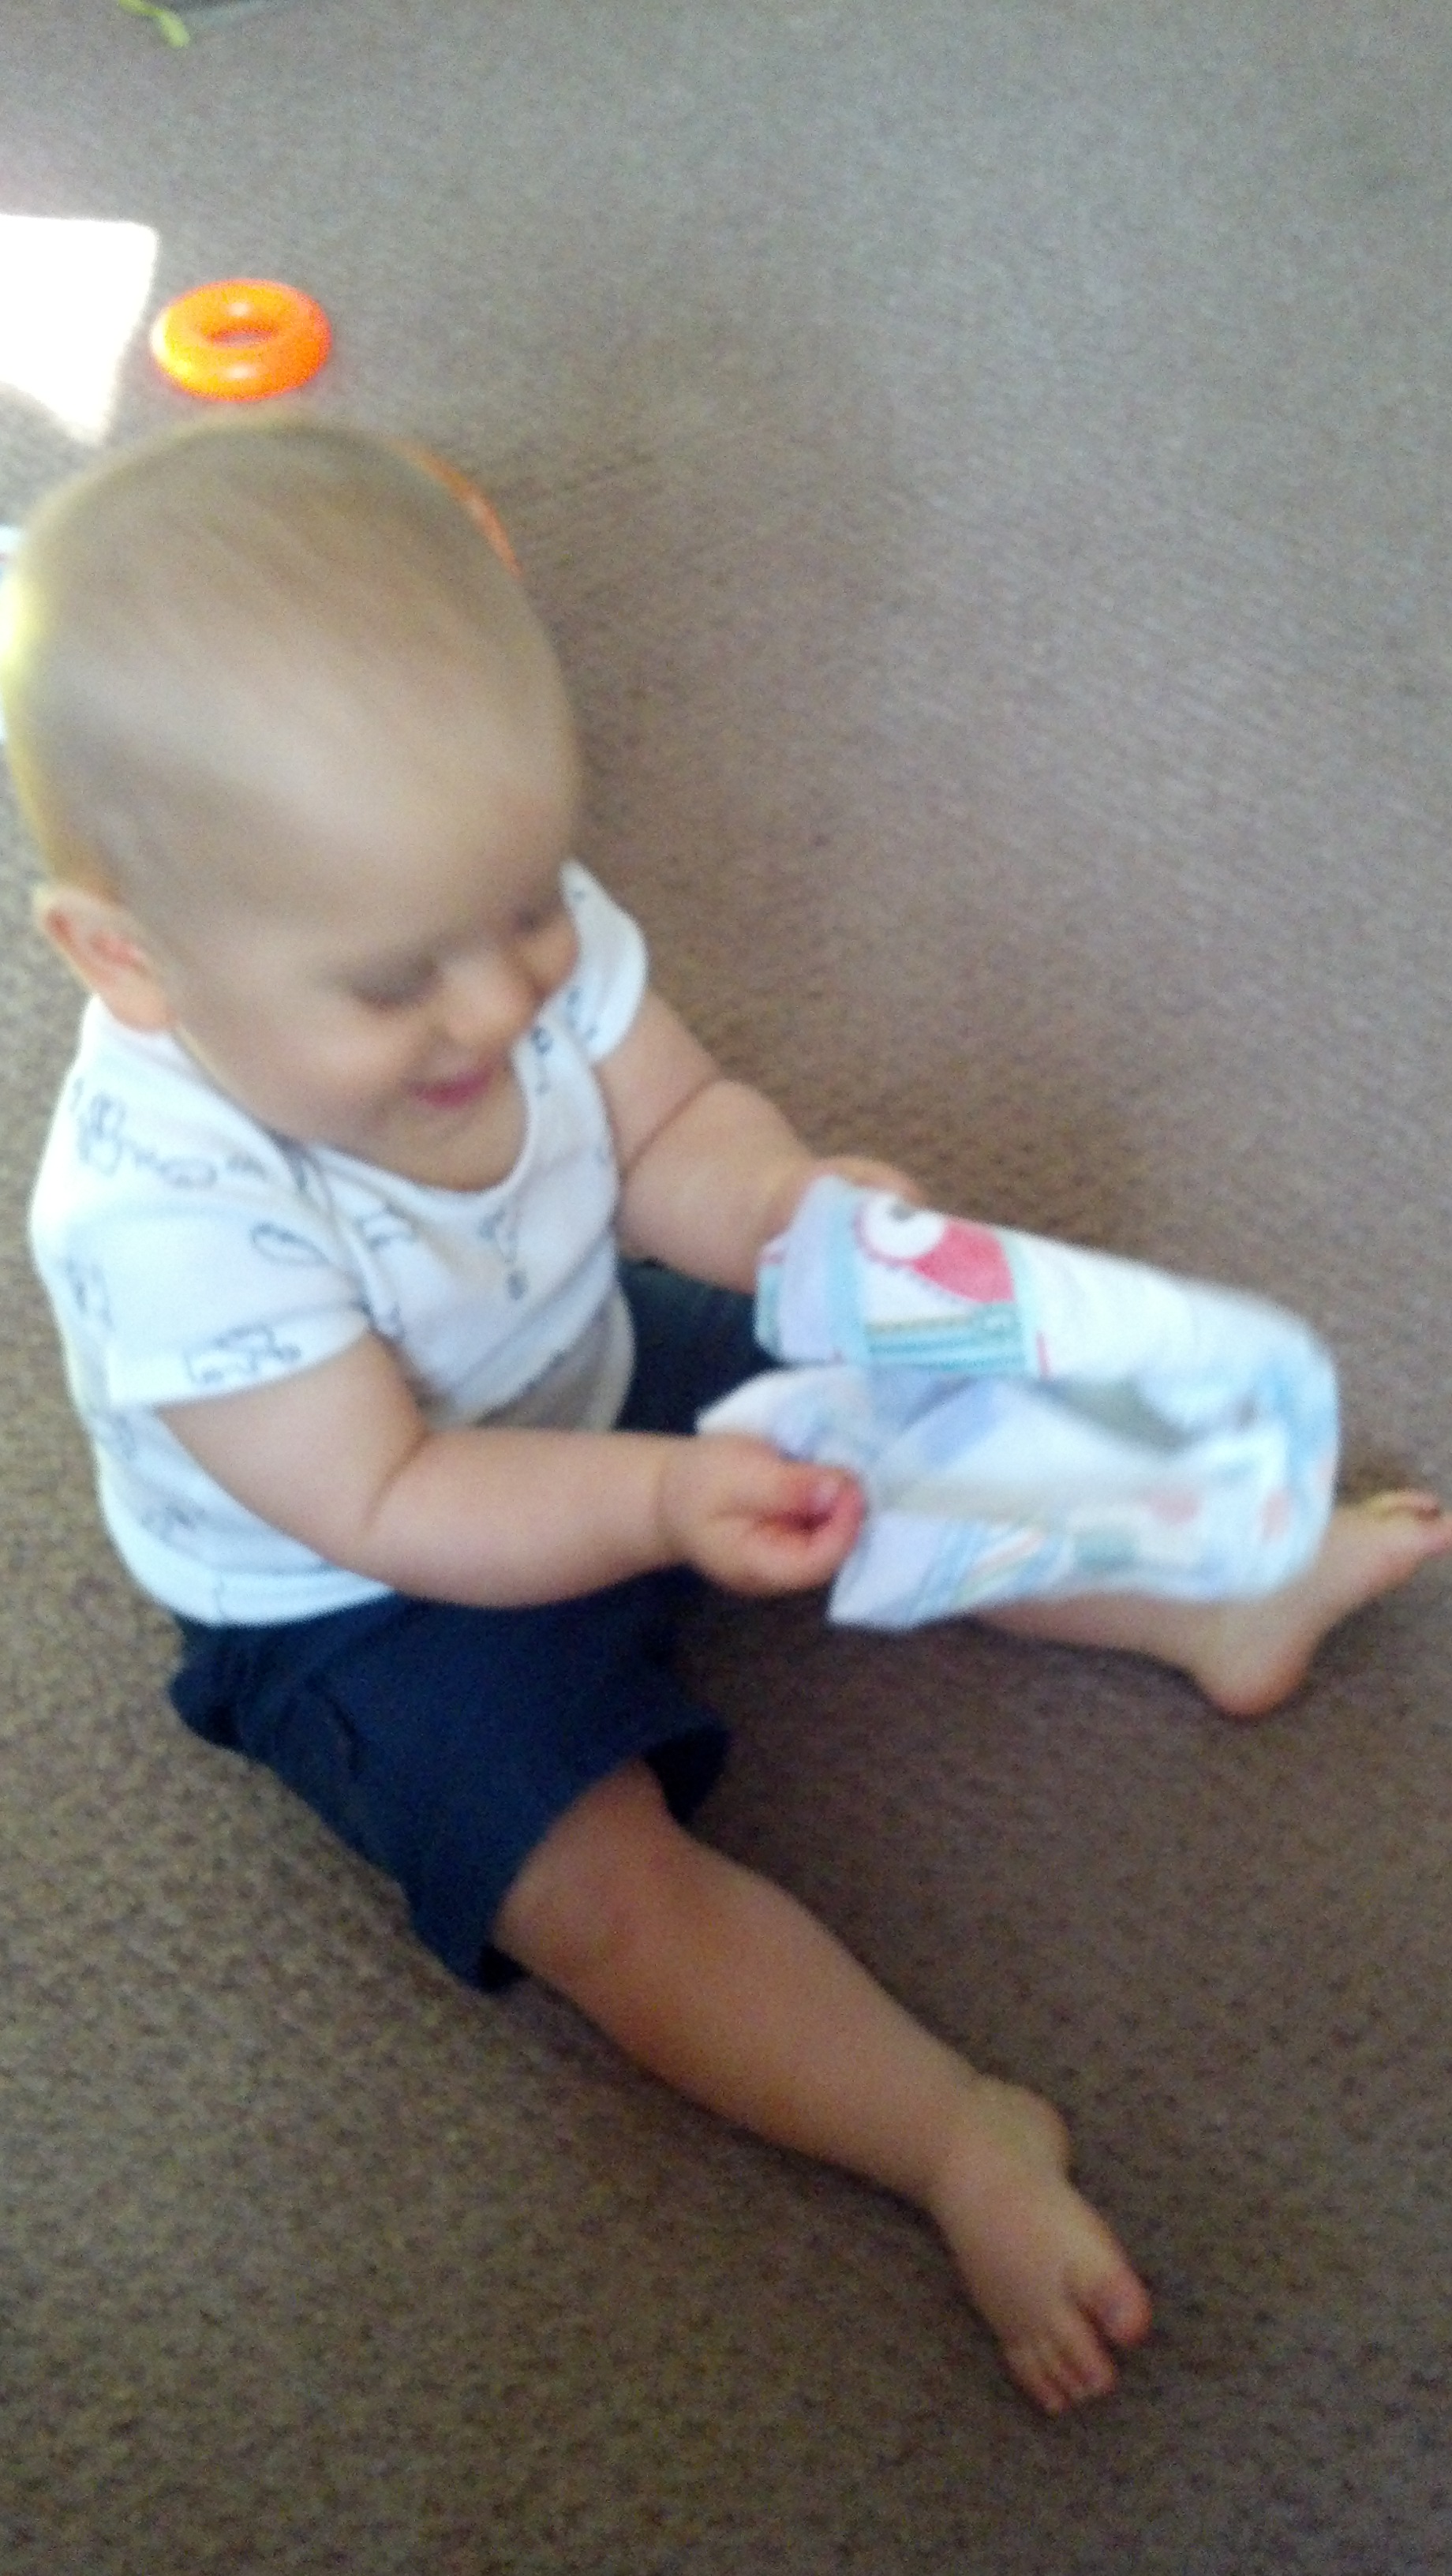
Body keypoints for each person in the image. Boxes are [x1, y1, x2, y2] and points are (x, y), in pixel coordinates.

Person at [6, 418, 1449, 2417]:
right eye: (398, 981)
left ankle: (1207, 1591)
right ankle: (947, 2136)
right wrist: (666, 1499)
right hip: (356, 1590)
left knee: (887, 1417)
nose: (500, 1000)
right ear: (126, 958)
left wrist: (783, 1212)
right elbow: (390, 1494)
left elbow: (667, 1120)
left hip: (581, 1351)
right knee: (595, 1893)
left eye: (525, 909)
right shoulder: (156, 1214)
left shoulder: (483, 924)